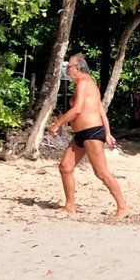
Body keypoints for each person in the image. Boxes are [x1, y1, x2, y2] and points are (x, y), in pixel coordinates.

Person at [46, 52, 128, 217]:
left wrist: (58, 124)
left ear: (77, 68)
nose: (67, 70)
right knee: (65, 167)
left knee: (102, 172)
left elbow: (77, 110)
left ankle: (123, 208)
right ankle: (70, 205)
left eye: (68, 67)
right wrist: (108, 133)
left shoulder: (84, 82)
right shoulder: (88, 84)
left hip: (91, 132)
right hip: (82, 134)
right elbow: (100, 110)